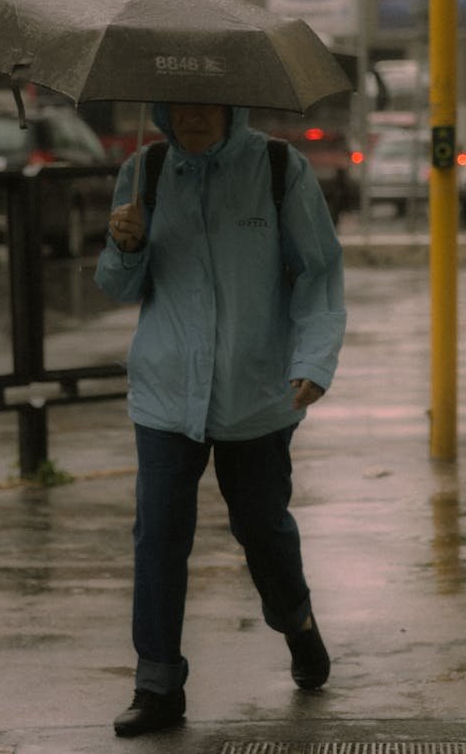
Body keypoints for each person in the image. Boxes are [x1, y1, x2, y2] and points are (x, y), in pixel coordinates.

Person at [95, 102, 346, 737]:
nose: (192, 116)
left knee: (260, 526)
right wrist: (124, 247)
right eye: (179, 105)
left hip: (256, 389)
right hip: (166, 389)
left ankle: (297, 623)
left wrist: (314, 360)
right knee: (159, 533)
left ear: (230, 104)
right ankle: (157, 683)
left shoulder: (276, 167)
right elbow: (121, 287)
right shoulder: (144, 170)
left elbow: (319, 271)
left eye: (206, 104)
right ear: (161, 108)